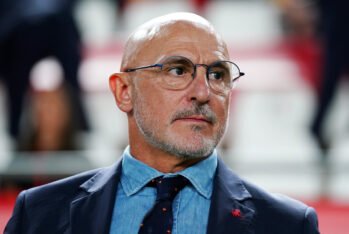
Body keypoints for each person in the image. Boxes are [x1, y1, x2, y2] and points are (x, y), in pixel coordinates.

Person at [5, 12, 320, 234]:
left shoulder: (288, 225)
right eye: (177, 71)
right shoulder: (39, 214)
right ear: (124, 91)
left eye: (218, 75)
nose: (203, 92)